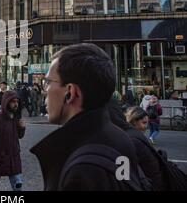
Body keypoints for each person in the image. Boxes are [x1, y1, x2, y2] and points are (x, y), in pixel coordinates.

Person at [30, 43, 143, 191]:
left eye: (48, 82)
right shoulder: (121, 138)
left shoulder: (81, 170)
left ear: (70, 92)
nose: (44, 91)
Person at [109, 102, 165, 191]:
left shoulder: (128, 138)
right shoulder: (134, 138)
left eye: (146, 123)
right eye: (144, 123)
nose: (145, 127)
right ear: (134, 121)